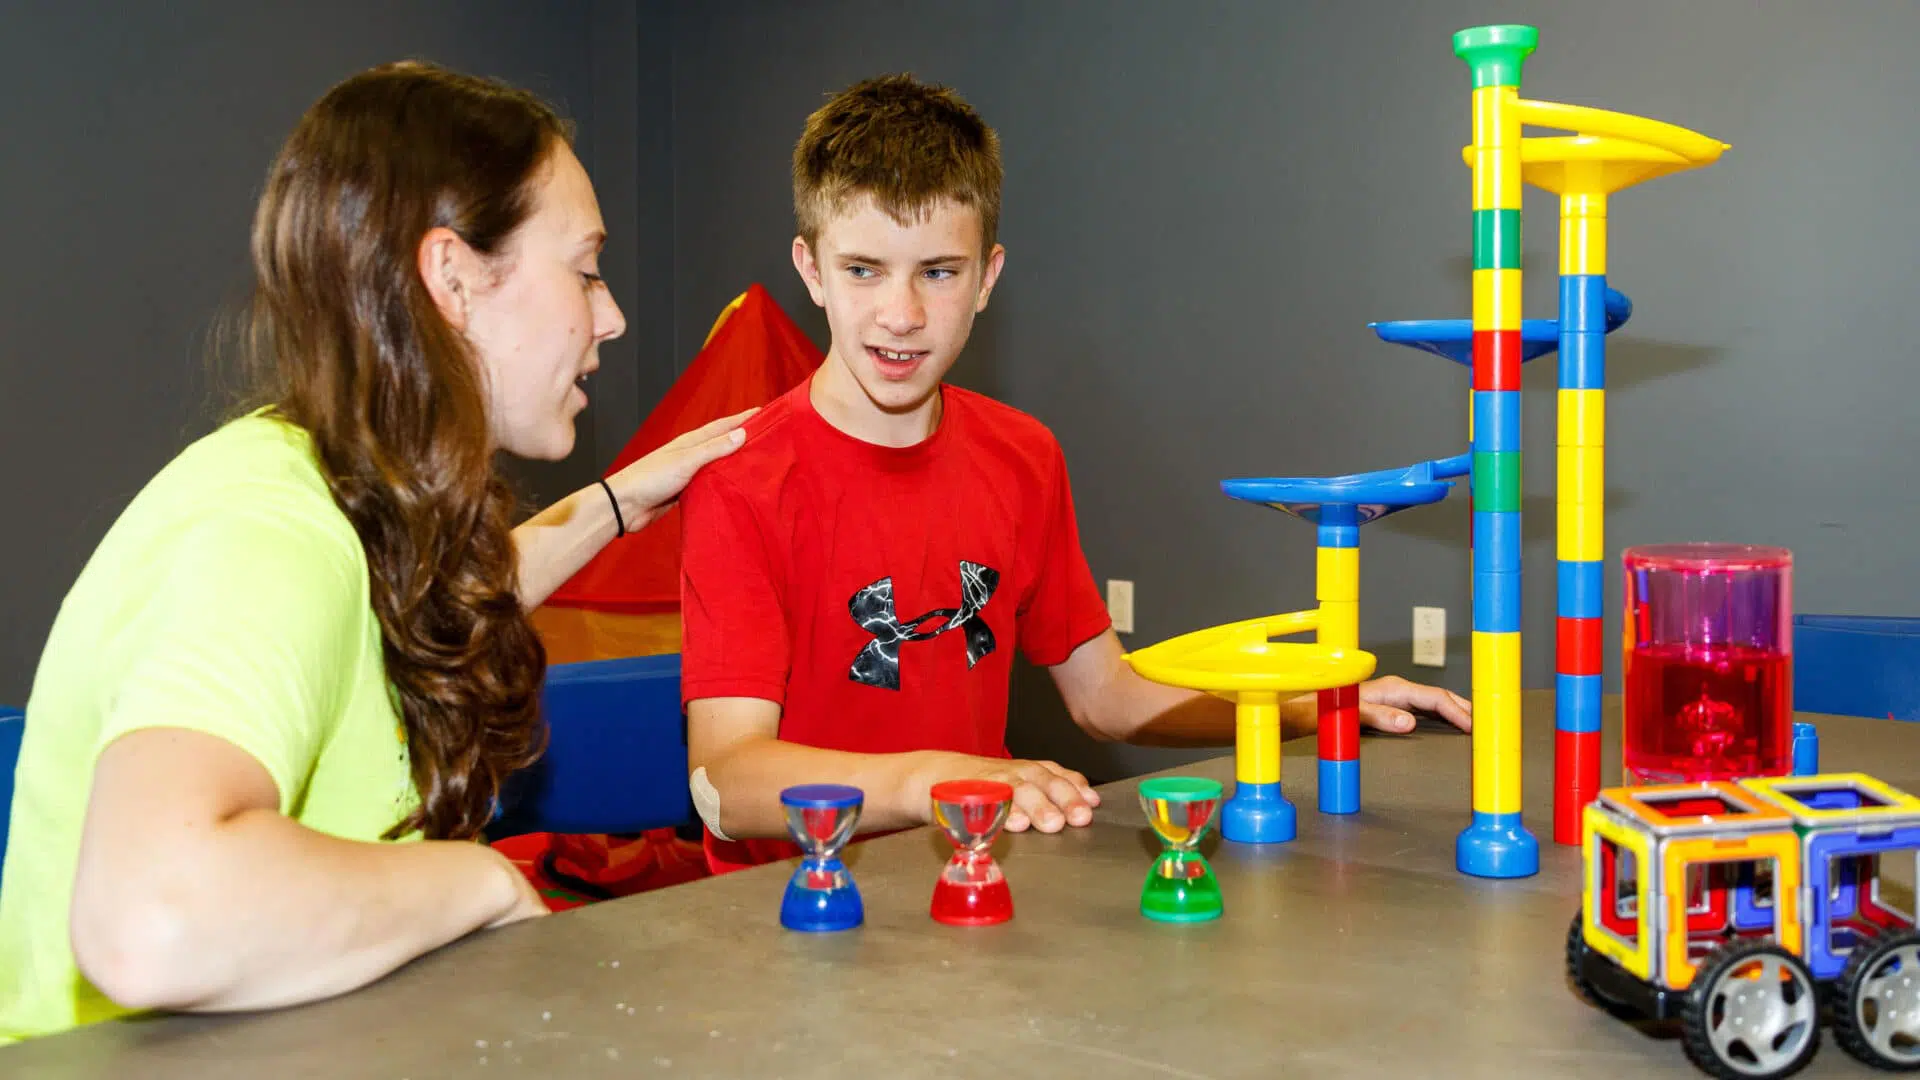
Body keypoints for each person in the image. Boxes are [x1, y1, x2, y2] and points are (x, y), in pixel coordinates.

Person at [0, 61, 751, 1045]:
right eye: (584, 268)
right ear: (451, 279)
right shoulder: (264, 531)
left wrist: (622, 502)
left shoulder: (339, 504)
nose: (609, 316)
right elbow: (151, 919)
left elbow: (418, 615)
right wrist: (477, 879)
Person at [678, 74, 1471, 874]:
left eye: (939, 272)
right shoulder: (743, 479)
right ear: (810, 270)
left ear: (988, 278)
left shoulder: (1023, 455)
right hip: (790, 911)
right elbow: (727, 784)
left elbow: (1107, 696)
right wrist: (935, 778)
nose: (901, 312)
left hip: (969, 876)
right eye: (862, 270)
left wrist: (1310, 707)